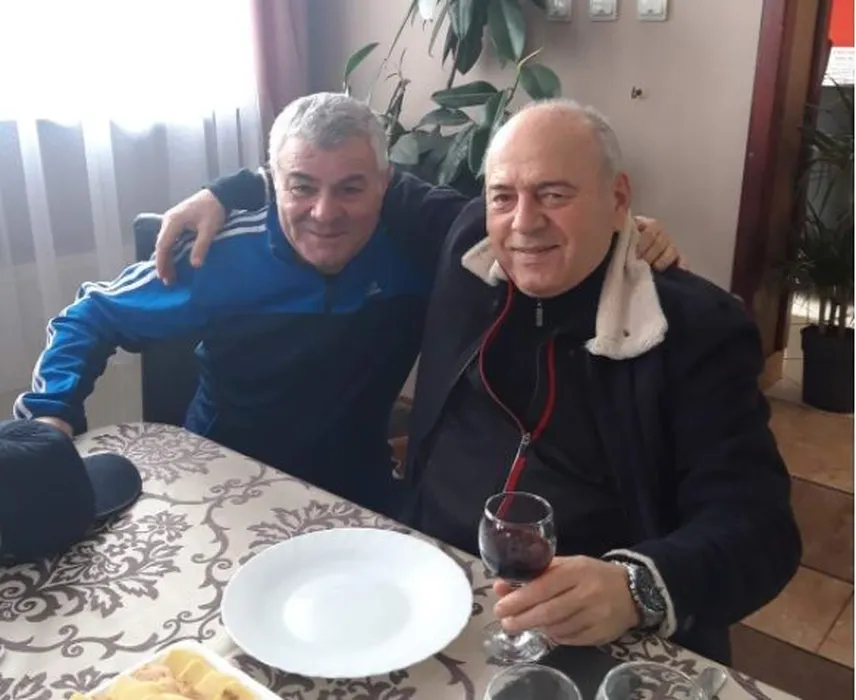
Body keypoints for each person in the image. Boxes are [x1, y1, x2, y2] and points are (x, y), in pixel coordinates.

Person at [13, 93, 682, 519]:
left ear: (387, 184)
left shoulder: (424, 255)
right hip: (222, 477)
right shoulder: (221, 254)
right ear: (273, 183)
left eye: (351, 189)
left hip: (358, 485)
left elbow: (522, 235)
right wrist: (50, 416)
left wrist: (619, 232)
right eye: (301, 187)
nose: (324, 213)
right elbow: (90, 315)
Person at [389, 99, 799, 664]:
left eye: (554, 194)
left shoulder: (697, 330)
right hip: (427, 575)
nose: (523, 222)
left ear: (619, 199)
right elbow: (364, 175)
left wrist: (636, 588)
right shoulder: (468, 240)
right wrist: (251, 187)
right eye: (503, 196)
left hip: (588, 631)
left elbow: (761, 526)